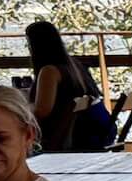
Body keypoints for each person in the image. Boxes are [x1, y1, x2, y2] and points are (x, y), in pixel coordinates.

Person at [23, 20, 114, 151]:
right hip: (95, 131)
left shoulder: (50, 71)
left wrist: (19, 106)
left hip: (66, 138)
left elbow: (41, 111)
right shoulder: (74, 65)